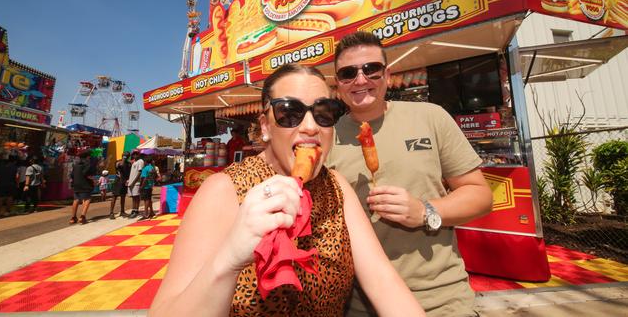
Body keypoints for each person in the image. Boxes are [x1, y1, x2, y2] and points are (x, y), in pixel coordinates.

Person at [149, 64, 424, 316]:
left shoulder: (337, 187)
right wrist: (229, 259)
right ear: (266, 127)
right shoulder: (223, 191)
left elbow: (382, 280)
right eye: (289, 113)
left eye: (323, 112)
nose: (310, 126)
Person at [326, 31, 493, 317]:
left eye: (371, 69)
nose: (361, 79)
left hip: (441, 299)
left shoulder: (430, 117)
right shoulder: (326, 137)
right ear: (338, 85)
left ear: (387, 75)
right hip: (358, 304)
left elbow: (480, 195)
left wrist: (425, 211)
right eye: (348, 73)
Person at [70, 150, 95, 224]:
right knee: (87, 199)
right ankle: (82, 217)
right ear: (87, 157)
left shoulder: (75, 165)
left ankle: (73, 218)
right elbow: (87, 174)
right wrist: (93, 180)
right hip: (85, 184)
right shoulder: (88, 164)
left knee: (76, 200)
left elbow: (72, 175)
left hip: (76, 184)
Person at [110, 151, 131, 219]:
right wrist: (123, 159)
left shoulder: (129, 163)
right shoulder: (118, 162)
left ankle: (122, 211)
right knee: (114, 196)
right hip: (118, 181)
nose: (126, 157)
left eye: (127, 156)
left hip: (124, 182)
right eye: (125, 156)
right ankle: (111, 212)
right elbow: (120, 165)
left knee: (123, 196)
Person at [127, 151, 145, 218]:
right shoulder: (134, 162)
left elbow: (140, 172)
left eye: (136, 154)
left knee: (136, 197)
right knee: (133, 197)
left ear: (138, 155)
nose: (134, 155)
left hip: (136, 183)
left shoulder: (140, 161)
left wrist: (133, 182)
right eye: (133, 154)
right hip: (131, 182)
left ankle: (136, 210)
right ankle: (134, 209)